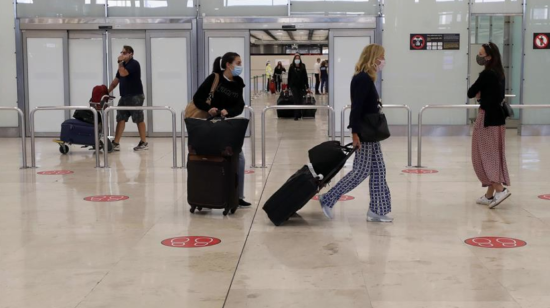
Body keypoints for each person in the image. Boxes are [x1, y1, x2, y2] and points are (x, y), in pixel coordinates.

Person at [318, 44, 392, 222]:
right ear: (373, 58)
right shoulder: (362, 79)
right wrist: (355, 134)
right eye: (381, 57)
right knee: (360, 171)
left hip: (371, 133)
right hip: (365, 132)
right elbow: (356, 108)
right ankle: (328, 198)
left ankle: (377, 209)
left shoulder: (367, 78)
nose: (383, 61)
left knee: (379, 170)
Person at [192, 52, 251, 207]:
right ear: (228, 65)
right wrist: (209, 108)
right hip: (209, 124)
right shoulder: (214, 78)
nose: (240, 66)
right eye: (237, 63)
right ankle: (206, 195)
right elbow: (197, 98)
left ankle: (237, 196)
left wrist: (228, 111)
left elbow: (239, 105)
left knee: (239, 158)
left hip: (227, 125)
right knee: (209, 159)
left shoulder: (238, 82)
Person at [467, 42, 511, 209]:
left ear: (489, 56)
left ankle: (500, 189)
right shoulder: (500, 73)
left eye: (481, 54)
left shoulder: (486, 74)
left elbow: (471, 92)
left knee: (483, 156)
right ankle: (489, 195)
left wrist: (480, 94)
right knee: (494, 154)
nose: (479, 57)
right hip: (498, 119)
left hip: (486, 119)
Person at [108, 45, 147, 151]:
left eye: (125, 53)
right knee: (120, 118)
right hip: (124, 96)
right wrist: (107, 92)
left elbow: (123, 73)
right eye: (122, 52)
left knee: (138, 119)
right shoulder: (123, 65)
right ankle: (116, 143)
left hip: (135, 96)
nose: (122, 55)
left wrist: (120, 62)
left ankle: (144, 142)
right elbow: (116, 80)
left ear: (131, 54)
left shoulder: (134, 64)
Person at [287, 54, 310, 121]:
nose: (297, 60)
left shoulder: (303, 66)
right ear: (294, 59)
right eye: (296, 58)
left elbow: (305, 76)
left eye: (298, 58)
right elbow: (289, 77)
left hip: (301, 86)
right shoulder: (291, 66)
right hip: (294, 86)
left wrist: (307, 86)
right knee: (296, 100)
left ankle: (299, 114)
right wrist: (288, 87)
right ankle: (296, 115)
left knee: (300, 100)